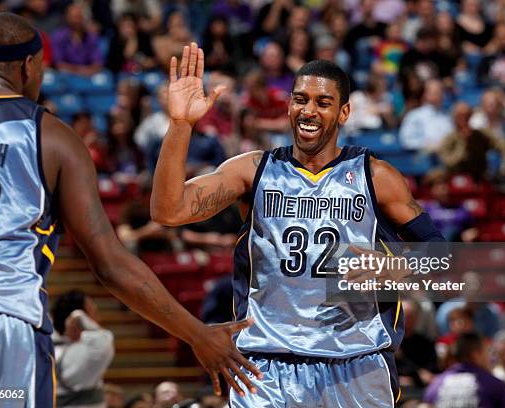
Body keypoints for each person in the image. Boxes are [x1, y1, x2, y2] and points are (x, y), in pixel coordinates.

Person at [0, 12, 261, 406]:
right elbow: (110, 265)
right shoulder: (52, 138)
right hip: (5, 328)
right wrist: (197, 333)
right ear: (29, 65)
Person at [151, 42, 445, 407]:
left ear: (344, 112)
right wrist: (180, 124)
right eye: (300, 99)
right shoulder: (253, 170)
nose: (308, 110)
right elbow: (168, 210)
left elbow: (440, 258)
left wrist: (389, 270)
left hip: (356, 364)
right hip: (265, 366)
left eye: (322, 103)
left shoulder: (376, 177)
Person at [51, 290, 114, 408]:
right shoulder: (83, 353)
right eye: (94, 312)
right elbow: (105, 343)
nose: (98, 318)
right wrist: (78, 316)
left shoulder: (49, 346)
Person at [423, 332, 505, 408]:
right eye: (487, 351)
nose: (491, 358)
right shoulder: (496, 386)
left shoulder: (435, 385)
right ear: (476, 355)